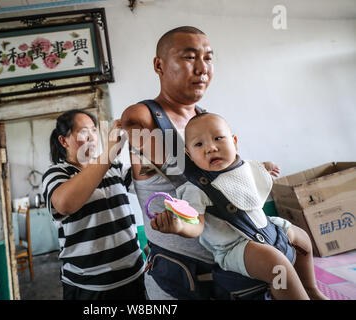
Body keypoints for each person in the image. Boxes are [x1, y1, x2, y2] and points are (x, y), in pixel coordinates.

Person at [121, 26, 280, 300]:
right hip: (183, 279)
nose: (202, 68)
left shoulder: (204, 119)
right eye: (189, 57)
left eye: (208, 58)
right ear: (159, 65)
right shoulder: (144, 117)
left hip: (233, 273)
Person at [151, 112, 328, 300]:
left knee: (304, 240)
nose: (211, 148)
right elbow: (196, 225)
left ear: (234, 142)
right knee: (278, 266)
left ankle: (310, 288)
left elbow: (249, 171)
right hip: (235, 247)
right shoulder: (196, 189)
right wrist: (180, 226)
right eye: (199, 144)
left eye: (218, 138)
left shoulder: (243, 166)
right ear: (189, 154)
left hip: (266, 226)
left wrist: (265, 166)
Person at [41, 109, 146, 300]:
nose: (92, 137)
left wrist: (137, 140)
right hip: (89, 287)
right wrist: (109, 153)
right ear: (63, 141)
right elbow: (64, 204)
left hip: (134, 276)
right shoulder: (56, 174)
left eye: (94, 130)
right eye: (83, 132)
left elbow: (147, 181)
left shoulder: (113, 168)